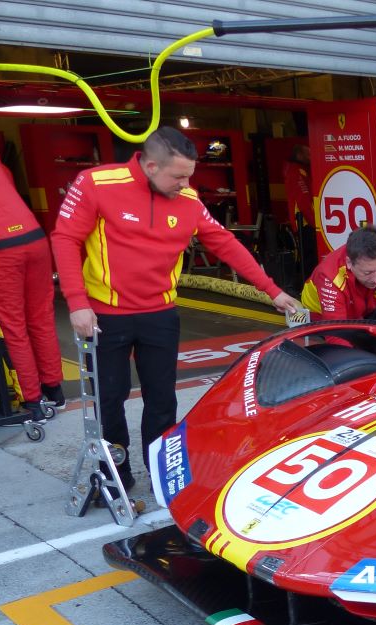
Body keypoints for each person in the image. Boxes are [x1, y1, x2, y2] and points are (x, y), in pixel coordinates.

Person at [52, 126, 300, 487]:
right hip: (106, 314)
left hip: (160, 314)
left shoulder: (189, 200)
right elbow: (65, 238)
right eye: (179, 176)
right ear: (151, 166)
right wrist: (76, 303)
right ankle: (114, 475)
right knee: (110, 397)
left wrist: (272, 291)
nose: (185, 184)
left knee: (162, 398)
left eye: (190, 176)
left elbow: (225, 244)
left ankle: (162, 472)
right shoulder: (96, 183)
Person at [0, 144, 65, 421]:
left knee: (12, 327)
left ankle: (32, 400)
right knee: (40, 317)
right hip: (33, 237)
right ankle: (54, 390)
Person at [300, 224, 376, 322]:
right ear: (349, 263)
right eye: (368, 272)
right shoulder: (329, 276)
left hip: (363, 308)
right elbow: (337, 337)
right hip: (319, 316)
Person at [283, 143, 318, 280]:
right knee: (309, 259)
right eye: (308, 154)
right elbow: (303, 200)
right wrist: (316, 223)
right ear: (299, 155)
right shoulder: (296, 171)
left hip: (306, 221)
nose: (311, 156)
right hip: (305, 223)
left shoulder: (299, 169)